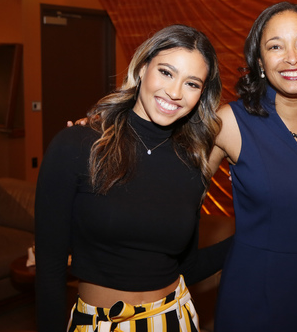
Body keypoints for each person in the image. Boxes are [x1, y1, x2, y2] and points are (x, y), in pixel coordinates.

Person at [35, 24, 232, 332]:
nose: (175, 92)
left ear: (201, 94)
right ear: (142, 68)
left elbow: (185, 267)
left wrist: (251, 238)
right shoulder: (76, 145)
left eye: (192, 83)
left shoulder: (192, 163)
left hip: (174, 319)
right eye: (166, 72)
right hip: (101, 324)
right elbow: (50, 266)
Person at [208, 2, 297, 331]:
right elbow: (169, 184)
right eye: (276, 46)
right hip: (255, 299)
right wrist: (112, 137)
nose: (292, 57)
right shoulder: (231, 122)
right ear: (260, 62)